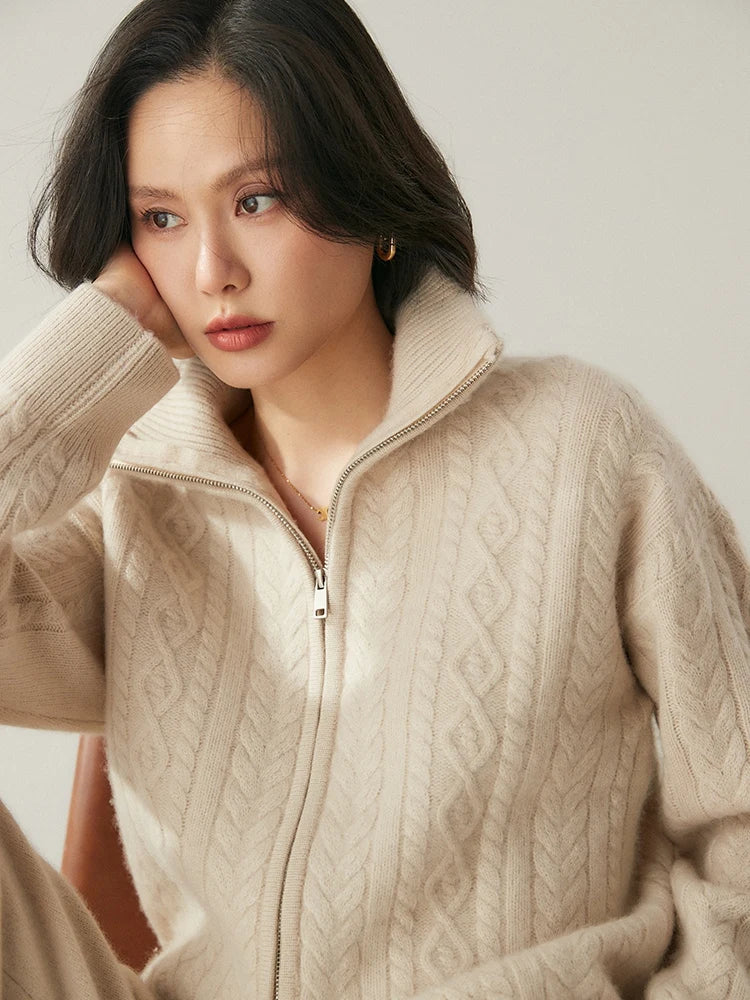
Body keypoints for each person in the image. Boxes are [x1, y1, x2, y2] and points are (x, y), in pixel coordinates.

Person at [1, 0, 748, 997]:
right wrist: (104, 335)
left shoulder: (584, 448)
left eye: (257, 200)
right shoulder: (140, 501)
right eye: (162, 219)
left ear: (365, 189)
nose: (213, 272)